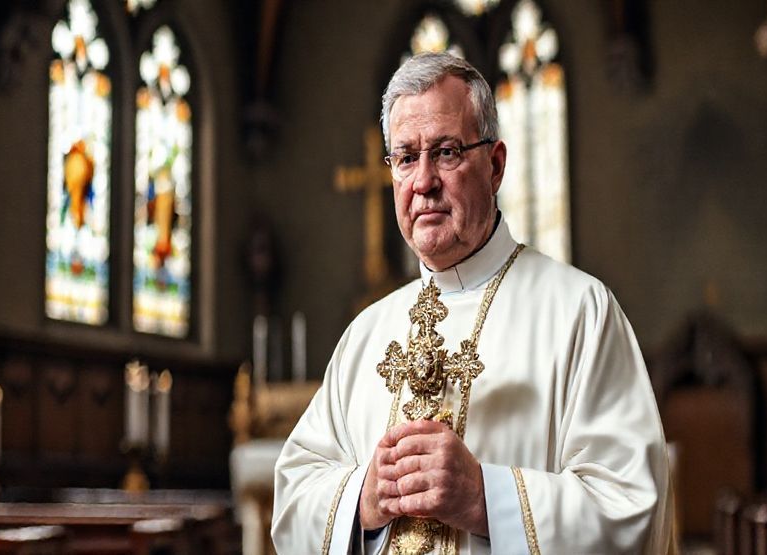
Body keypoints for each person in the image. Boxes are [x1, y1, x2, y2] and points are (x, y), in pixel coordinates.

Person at [272, 52, 673, 554]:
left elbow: (631, 506)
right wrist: (364, 499)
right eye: (405, 158)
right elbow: (293, 497)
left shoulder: (581, 312)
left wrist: (486, 497)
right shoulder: (365, 335)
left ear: (495, 165)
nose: (423, 182)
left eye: (446, 152)